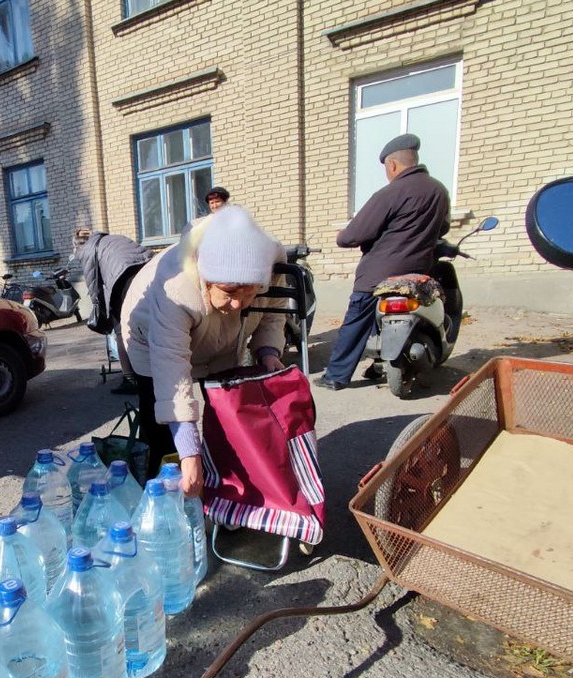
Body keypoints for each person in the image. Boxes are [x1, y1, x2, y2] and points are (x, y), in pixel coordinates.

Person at [121, 205, 286, 496]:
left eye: (249, 292)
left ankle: (226, 483)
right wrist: (187, 450)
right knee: (160, 420)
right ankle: (166, 488)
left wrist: (268, 350)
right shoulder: (176, 286)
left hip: (219, 337)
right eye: (230, 292)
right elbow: (171, 369)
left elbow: (273, 310)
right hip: (149, 336)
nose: (239, 303)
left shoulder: (268, 263)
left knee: (225, 407)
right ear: (206, 277)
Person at [314, 133, 451, 391]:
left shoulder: (391, 192)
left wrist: (341, 236)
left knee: (355, 324)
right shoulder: (439, 190)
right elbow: (442, 228)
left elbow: (354, 235)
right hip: (417, 276)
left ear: (393, 165)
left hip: (377, 276)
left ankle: (335, 376)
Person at [72, 227, 151, 395]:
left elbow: (94, 286)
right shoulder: (113, 238)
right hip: (148, 271)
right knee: (151, 321)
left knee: (121, 328)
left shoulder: (88, 249)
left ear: (79, 245)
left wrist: (100, 312)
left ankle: (130, 379)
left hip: (123, 276)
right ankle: (157, 371)